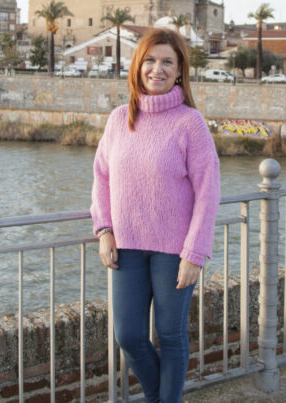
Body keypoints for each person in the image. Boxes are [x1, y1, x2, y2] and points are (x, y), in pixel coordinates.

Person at [90, 28, 221, 403]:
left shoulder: (190, 123)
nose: (157, 69)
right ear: (137, 65)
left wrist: (195, 253)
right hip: (126, 248)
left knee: (170, 333)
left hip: (174, 252)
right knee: (128, 335)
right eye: (150, 60)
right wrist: (104, 229)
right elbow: (101, 176)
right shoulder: (119, 119)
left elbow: (208, 191)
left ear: (180, 70)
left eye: (167, 62)